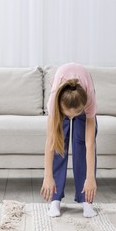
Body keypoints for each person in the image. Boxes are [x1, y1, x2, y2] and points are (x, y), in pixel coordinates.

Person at [40, 63, 98, 218]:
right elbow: (50, 142)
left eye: (75, 115)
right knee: (60, 143)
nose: (71, 118)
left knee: (81, 145)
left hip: (81, 98)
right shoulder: (54, 104)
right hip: (62, 98)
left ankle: (86, 201)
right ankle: (55, 200)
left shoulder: (89, 100)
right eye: (68, 115)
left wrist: (90, 177)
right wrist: (48, 176)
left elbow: (90, 143)